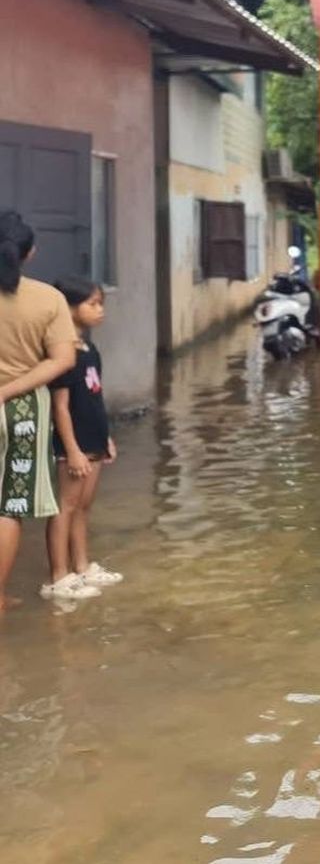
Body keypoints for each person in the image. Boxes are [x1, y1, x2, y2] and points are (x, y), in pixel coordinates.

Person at [0, 212, 78, 607]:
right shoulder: (48, 299)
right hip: (23, 411)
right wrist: (8, 390)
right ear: (28, 254)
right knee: (8, 506)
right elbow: (62, 360)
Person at [44, 276, 122, 602]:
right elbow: (60, 408)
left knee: (83, 507)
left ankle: (82, 566)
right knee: (65, 506)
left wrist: (106, 439)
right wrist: (72, 450)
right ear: (70, 308)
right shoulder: (64, 354)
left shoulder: (91, 349)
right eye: (92, 303)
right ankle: (58, 577)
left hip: (94, 439)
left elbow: (95, 398)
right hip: (72, 445)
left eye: (101, 303)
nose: (100, 310)